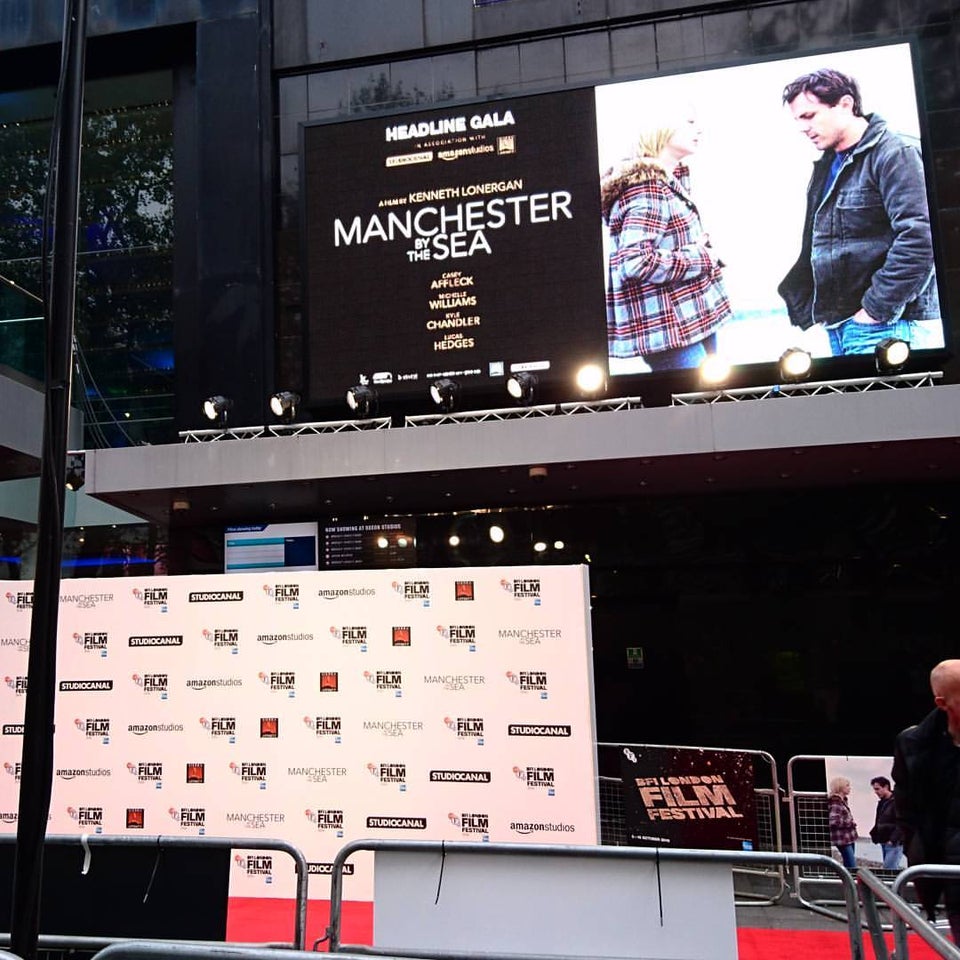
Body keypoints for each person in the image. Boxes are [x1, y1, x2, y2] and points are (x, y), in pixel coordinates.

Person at [777, 68, 940, 357]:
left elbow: (921, 239)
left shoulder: (895, 153)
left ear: (845, 104)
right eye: (798, 119)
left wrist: (874, 311)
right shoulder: (829, 164)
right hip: (843, 324)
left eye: (809, 115)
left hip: (887, 326)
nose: (802, 127)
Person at [601, 109, 731, 371]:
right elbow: (636, 262)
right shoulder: (646, 188)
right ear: (661, 129)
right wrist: (703, 256)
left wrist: (696, 246)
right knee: (700, 403)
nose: (698, 129)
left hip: (691, 318)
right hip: (669, 329)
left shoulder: (667, 181)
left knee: (715, 402)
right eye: (689, 122)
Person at [893, 659, 960, 942]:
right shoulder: (914, 744)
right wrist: (917, 849)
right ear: (942, 702)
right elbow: (907, 808)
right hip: (947, 867)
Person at [869, 775, 903, 869]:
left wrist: (893, 839)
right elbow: (879, 821)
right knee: (888, 869)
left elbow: (901, 823)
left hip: (894, 842)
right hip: (884, 841)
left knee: (890, 868)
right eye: (875, 789)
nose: (876, 792)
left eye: (878, 789)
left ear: (886, 787)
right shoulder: (882, 802)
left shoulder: (897, 801)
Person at [827, 775, 858, 870]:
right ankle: (850, 883)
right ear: (840, 787)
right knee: (851, 865)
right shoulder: (836, 802)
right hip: (843, 839)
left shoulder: (842, 801)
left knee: (849, 864)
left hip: (847, 838)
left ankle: (847, 882)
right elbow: (834, 822)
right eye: (847, 785)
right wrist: (850, 823)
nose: (850, 788)